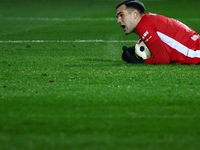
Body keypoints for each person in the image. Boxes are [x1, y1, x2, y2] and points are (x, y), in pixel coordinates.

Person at [116, 0, 200, 65]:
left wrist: (136, 61)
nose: (118, 21)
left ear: (134, 14)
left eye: (121, 15)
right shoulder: (148, 19)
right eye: (117, 17)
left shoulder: (143, 26)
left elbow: (163, 60)